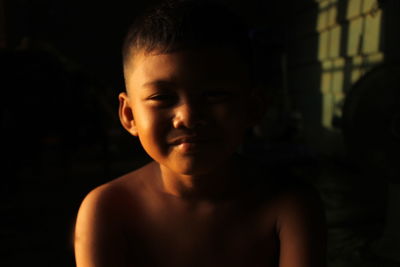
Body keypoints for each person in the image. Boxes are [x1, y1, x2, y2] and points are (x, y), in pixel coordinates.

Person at [73, 1, 327, 266]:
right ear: (129, 115)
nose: (189, 116)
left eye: (214, 95)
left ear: (253, 107)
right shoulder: (108, 209)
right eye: (162, 97)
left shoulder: (289, 205)